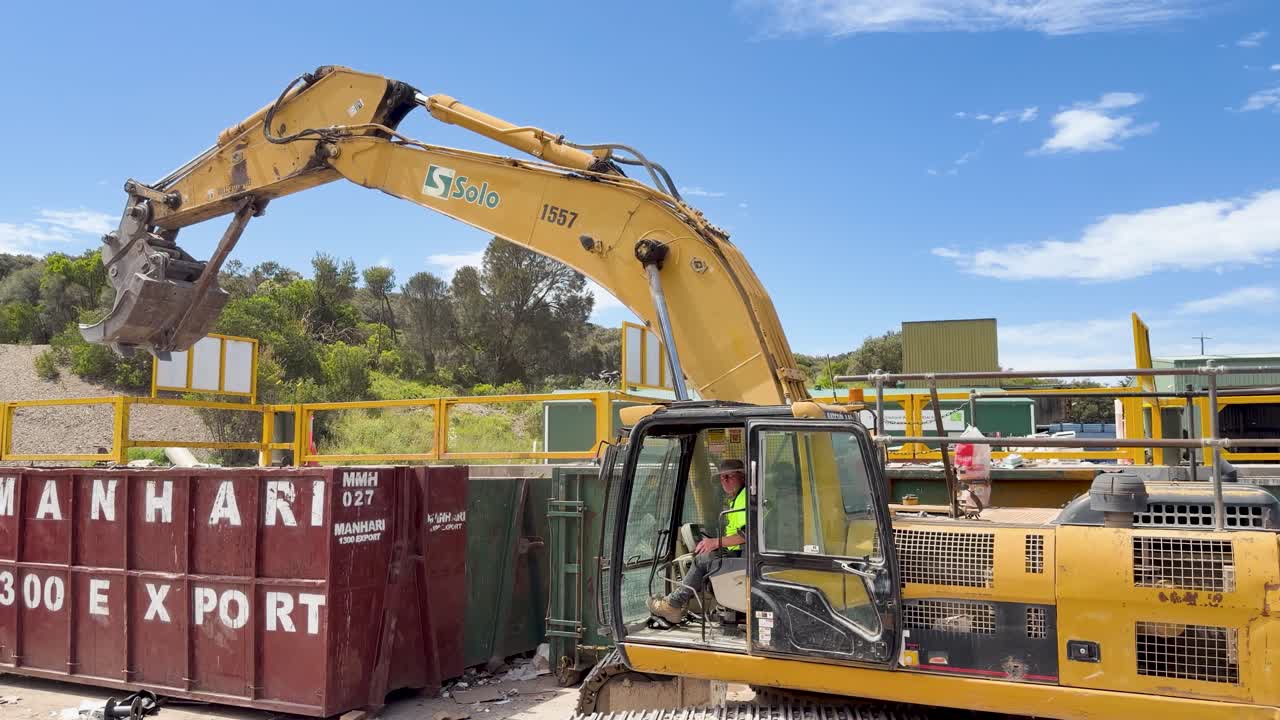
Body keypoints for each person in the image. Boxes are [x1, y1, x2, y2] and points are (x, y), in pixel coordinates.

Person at [647, 458, 747, 623]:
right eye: (722, 478)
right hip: (741, 555)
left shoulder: (744, 499)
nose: (725, 481)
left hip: (745, 560)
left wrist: (715, 543)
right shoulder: (738, 498)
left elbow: (747, 536)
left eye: (730, 476)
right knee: (706, 557)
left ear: (742, 477)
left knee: (701, 561)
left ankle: (673, 605)